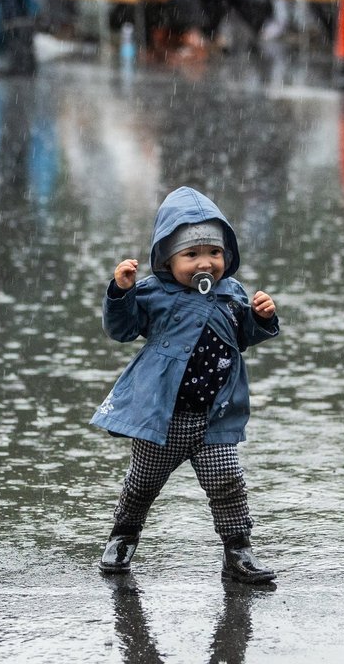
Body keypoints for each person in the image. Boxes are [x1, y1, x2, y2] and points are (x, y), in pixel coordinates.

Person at [93, 186, 280, 584]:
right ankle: (122, 538)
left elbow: (242, 336)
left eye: (214, 253)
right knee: (141, 484)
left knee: (227, 484)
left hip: (213, 416)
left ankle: (238, 552)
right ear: (167, 257)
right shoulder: (153, 294)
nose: (205, 263)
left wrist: (261, 318)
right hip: (163, 418)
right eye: (191, 255)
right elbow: (122, 330)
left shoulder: (231, 293)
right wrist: (121, 293)